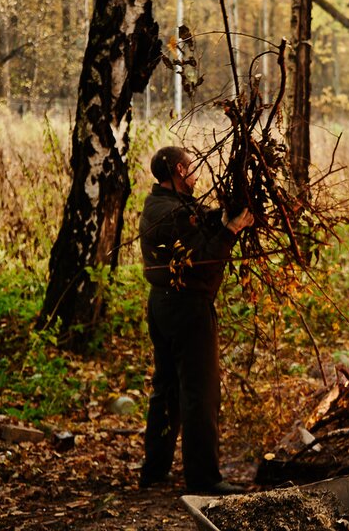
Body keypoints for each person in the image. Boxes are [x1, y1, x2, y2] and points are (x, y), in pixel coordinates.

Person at [137, 146, 253, 494]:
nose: (196, 174)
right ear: (178, 169)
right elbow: (201, 259)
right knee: (200, 392)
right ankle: (204, 479)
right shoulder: (173, 214)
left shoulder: (158, 204)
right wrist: (231, 230)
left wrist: (224, 215)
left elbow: (197, 222)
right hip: (187, 307)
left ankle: (154, 469)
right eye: (191, 167)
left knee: (167, 388)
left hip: (162, 305)